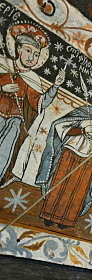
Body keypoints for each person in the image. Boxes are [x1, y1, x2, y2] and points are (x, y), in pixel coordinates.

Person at [37, 76, 92, 228]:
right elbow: (59, 127)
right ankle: (49, 215)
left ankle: (66, 220)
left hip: (90, 159)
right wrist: (81, 128)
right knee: (60, 184)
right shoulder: (84, 111)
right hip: (70, 152)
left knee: (78, 190)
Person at [0, 23, 65, 181]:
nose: (32, 57)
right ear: (18, 49)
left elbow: (40, 103)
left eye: (36, 54)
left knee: (15, 128)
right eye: (28, 51)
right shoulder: (3, 64)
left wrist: (55, 85)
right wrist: (2, 88)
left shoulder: (33, 79)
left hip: (13, 119)